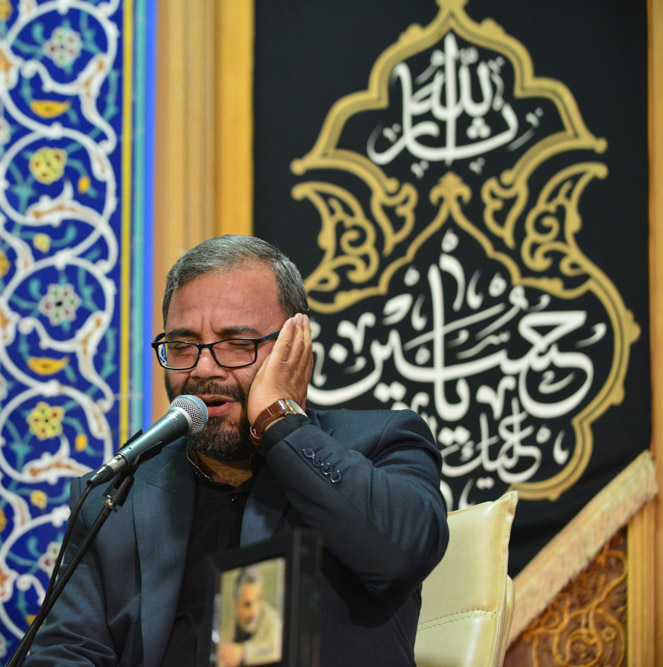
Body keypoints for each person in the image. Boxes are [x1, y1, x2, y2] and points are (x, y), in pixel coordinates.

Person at [27, 235, 448, 666]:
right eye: (182, 346)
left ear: (295, 344)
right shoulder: (116, 497)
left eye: (237, 344)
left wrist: (279, 421)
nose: (203, 368)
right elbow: (65, 651)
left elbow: (404, 555)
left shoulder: (381, 443)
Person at [216, 566, 283, 667]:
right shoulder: (229, 629)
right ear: (236, 606)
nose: (254, 611)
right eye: (247, 604)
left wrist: (243, 652)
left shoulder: (273, 621)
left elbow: (277, 649)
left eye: (258, 599)